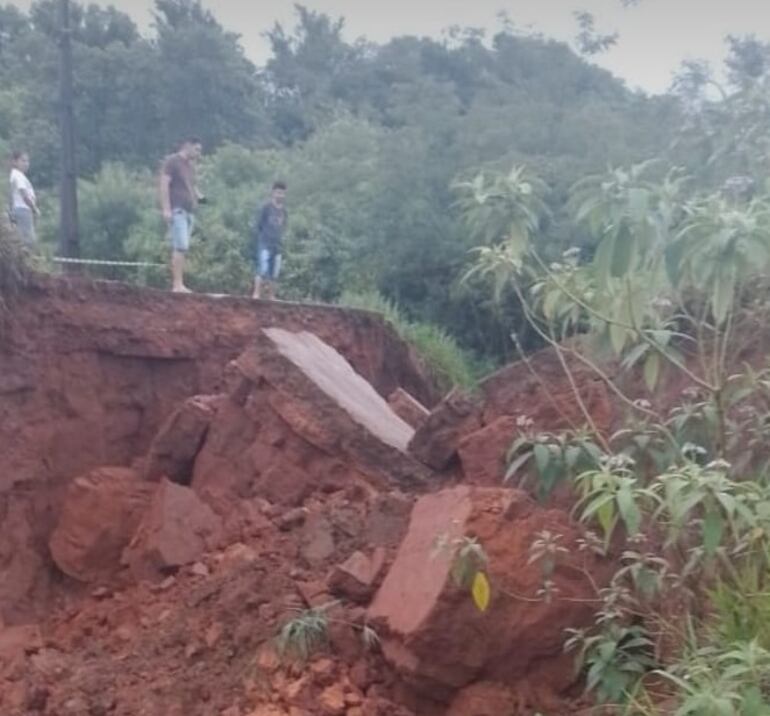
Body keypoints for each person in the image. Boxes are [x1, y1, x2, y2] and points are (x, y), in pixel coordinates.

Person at [159, 137, 204, 293]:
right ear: (187, 146)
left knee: (183, 248)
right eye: (197, 149)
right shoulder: (172, 161)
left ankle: (179, 283)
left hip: (189, 211)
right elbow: (164, 183)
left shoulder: (190, 166)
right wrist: (166, 208)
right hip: (177, 209)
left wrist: (201, 198)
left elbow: (192, 186)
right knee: (181, 245)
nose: (199, 153)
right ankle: (177, 285)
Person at [252, 181, 288, 300]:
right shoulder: (266, 207)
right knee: (262, 268)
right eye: (278, 193)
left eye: (282, 193)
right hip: (265, 243)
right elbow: (259, 225)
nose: (280, 196)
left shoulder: (284, 211)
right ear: (273, 193)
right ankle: (256, 293)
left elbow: (283, 227)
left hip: (277, 245)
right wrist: (262, 239)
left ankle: (271, 296)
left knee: (275, 272)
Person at [8, 150, 39, 247]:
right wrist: (34, 208)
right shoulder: (18, 175)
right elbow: (24, 194)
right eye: (23, 161)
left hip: (21, 210)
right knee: (28, 241)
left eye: (27, 161)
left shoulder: (17, 175)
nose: (26, 164)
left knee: (24, 239)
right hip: (23, 210)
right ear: (15, 162)